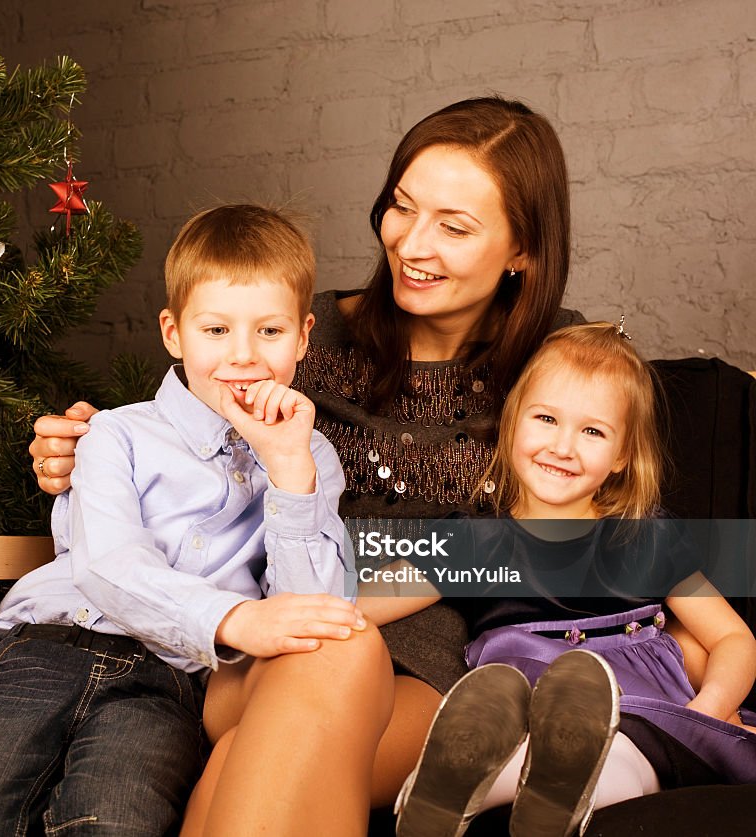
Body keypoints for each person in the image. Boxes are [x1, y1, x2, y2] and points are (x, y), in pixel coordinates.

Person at [31, 96, 585, 834]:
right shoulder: (296, 330)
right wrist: (77, 448)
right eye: (401, 207)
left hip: (429, 664)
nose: (413, 245)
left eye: (454, 226)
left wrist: (383, 592)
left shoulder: (565, 366)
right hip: (254, 641)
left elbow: (581, 532)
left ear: (523, 249)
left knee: (252, 754)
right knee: (328, 657)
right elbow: (179, 448)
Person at [0, 204, 365, 836]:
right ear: (173, 333)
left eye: (270, 332)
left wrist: (288, 475)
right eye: (216, 330)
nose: (244, 356)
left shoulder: (311, 458)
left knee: (114, 820)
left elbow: (313, 616)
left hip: (167, 682)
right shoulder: (116, 433)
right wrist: (232, 617)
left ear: (305, 337)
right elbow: (107, 564)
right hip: (45, 648)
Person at [373, 323, 756, 837]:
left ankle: (502, 785)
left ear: (622, 456)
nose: (563, 446)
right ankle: (464, 775)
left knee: (616, 750)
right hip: (523, 698)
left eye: (592, 431)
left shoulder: (645, 536)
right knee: (564, 743)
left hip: (633, 706)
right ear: (513, 424)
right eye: (547, 419)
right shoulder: (474, 538)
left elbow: (732, 637)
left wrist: (709, 708)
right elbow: (367, 600)